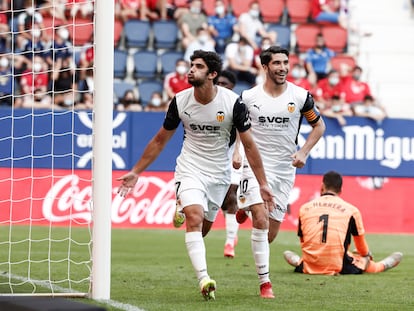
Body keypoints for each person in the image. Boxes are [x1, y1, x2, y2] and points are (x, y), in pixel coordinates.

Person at [117, 50, 276, 300]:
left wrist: (263, 183)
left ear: (212, 74)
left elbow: (250, 146)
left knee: (202, 229)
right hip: (190, 167)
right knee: (194, 216)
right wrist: (136, 171)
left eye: (198, 66)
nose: (191, 70)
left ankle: (182, 205)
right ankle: (204, 279)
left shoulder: (233, 103)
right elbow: (160, 140)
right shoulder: (180, 101)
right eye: (191, 65)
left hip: (219, 175)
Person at [235, 46, 326, 250]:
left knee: (269, 235)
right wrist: (236, 150)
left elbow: (319, 126)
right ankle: (264, 280)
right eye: (277, 63)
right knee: (261, 219)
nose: (283, 67)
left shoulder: (301, 97)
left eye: (285, 62)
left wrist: (303, 152)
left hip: (284, 168)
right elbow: (238, 126)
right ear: (265, 66)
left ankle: (247, 207)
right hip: (255, 164)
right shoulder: (249, 97)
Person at [283, 170, 403, 275]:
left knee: (313, 257)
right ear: (341, 190)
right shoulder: (351, 210)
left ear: (322, 186)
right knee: (362, 261)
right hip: (338, 264)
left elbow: (303, 241)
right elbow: (361, 245)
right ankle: (381, 266)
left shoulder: (304, 208)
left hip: (310, 263)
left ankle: (300, 262)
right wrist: (366, 255)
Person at [215, 70, 241, 258]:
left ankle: (230, 241)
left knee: (231, 194)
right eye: (219, 83)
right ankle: (233, 228)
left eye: (225, 83)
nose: (221, 86)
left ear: (232, 86)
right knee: (224, 200)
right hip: (214, 156)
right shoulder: (209, 103)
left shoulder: (237, 103)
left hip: (235, 154)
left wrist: (239, 151)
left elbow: (243, 129)